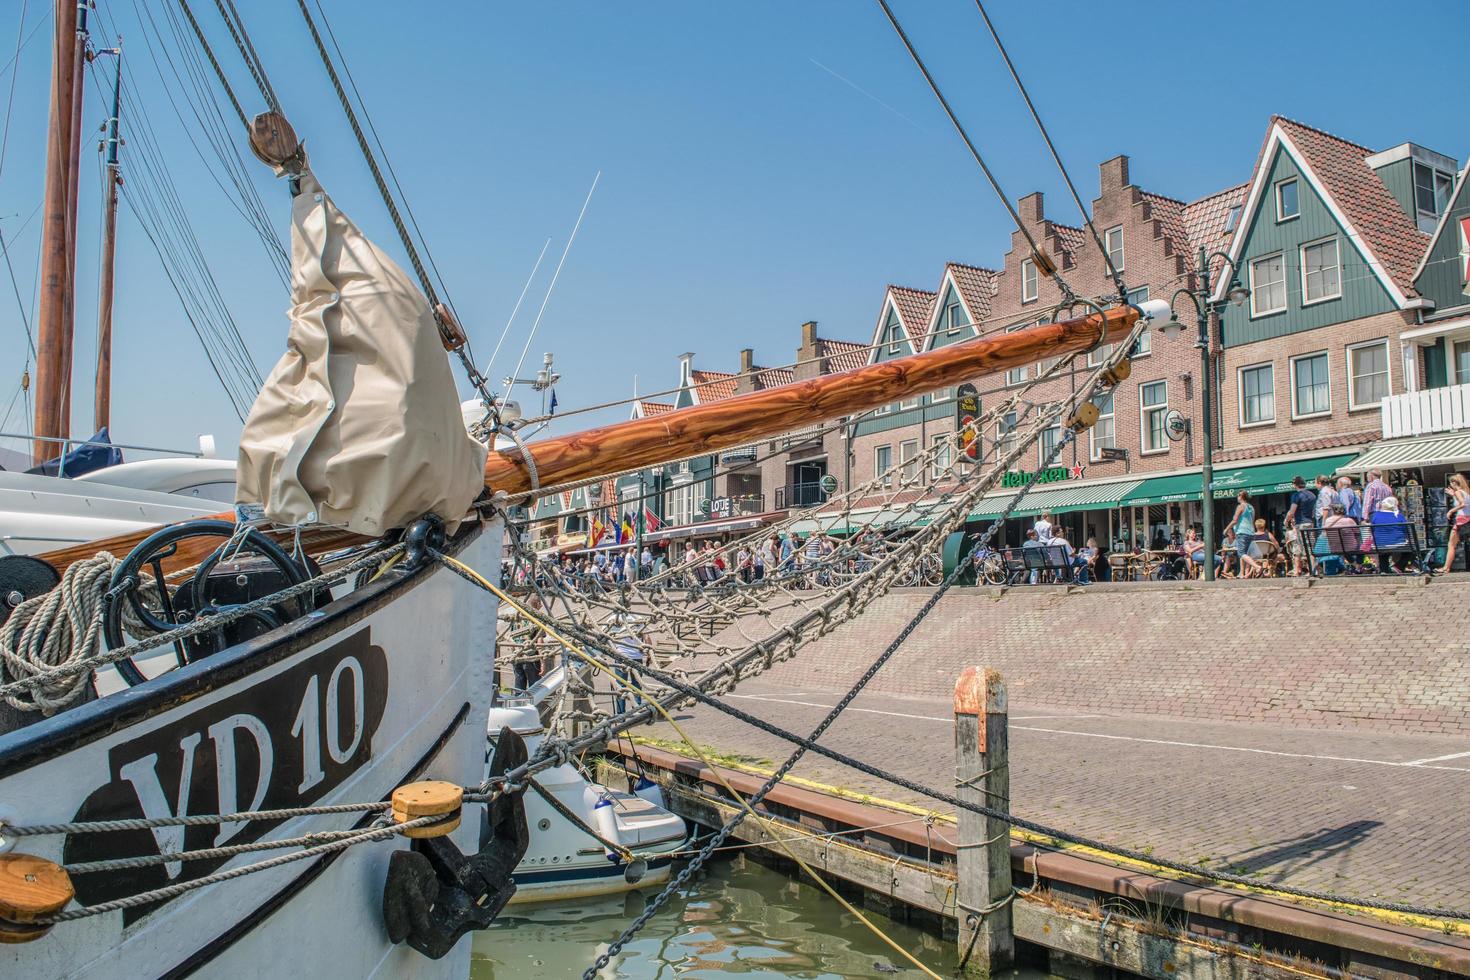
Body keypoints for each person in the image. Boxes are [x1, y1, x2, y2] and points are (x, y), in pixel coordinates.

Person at [612, 618, 647, 715]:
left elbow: (605, 636)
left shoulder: (613, 618)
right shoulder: (638, 618)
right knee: (637, 684)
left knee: (620, 686)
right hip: (636, 656)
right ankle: (637, 710)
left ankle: (621, 713)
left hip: (621, 656)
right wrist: (648, 655)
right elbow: (646, 637)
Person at [1284, 476, 1316, 576]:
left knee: (1302, 547)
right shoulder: (1312, 495)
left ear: (1295, 484)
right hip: (1310, 522)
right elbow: (1314, 511)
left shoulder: (1297, 496)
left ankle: (1310, 571)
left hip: (1301, 523)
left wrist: (1286, 521)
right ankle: (1313, 569)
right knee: (1310, 547)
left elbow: (1292, 511)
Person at [1370, 496, 1411, 573]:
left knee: (1383, 551)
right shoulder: (1399, 515)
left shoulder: (1376, 516)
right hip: (1397, 544)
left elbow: (1372, 530)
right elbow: (1405, 530)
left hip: (1379, 545)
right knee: (1410, 550)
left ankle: (1384, 570)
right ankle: (1398, 566)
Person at [1440, 473, 1470, 574]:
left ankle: (1446, 568)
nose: (1450, 485)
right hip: (1467, 520)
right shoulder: (1466, 492)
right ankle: (1446, 567)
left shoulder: (1458, 492)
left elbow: (1462, 504)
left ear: (1454, 482)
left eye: (1450, 483)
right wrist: (1453, 495)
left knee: (1451, 544)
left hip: (1461, 521)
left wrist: (1451, 511)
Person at [1230, 490, 1255, 563]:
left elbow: (1234, 520)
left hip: (1242, 532)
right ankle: (1244, 573)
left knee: (1241, 553)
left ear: (1241, 497)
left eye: (1238, 495)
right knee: (1246, 554)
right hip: (1251, 532)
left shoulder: (1240, 506)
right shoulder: (1251, 507)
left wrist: (1226, 529)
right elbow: (1252, 521)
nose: (1237, 497)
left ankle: (1257, 567)